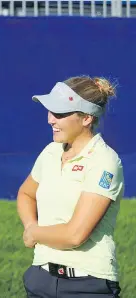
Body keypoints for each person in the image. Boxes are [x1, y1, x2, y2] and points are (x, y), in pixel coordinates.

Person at [17, 76, 124, 297]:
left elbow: (75, 235)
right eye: (50, 111)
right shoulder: (51, 152)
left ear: (86, 118)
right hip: (41, 280)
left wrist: (34, 233)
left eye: (60, 113)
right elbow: (26, 193)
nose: (50, 120)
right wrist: (29, 225)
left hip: (87, 285)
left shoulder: (105, 161)